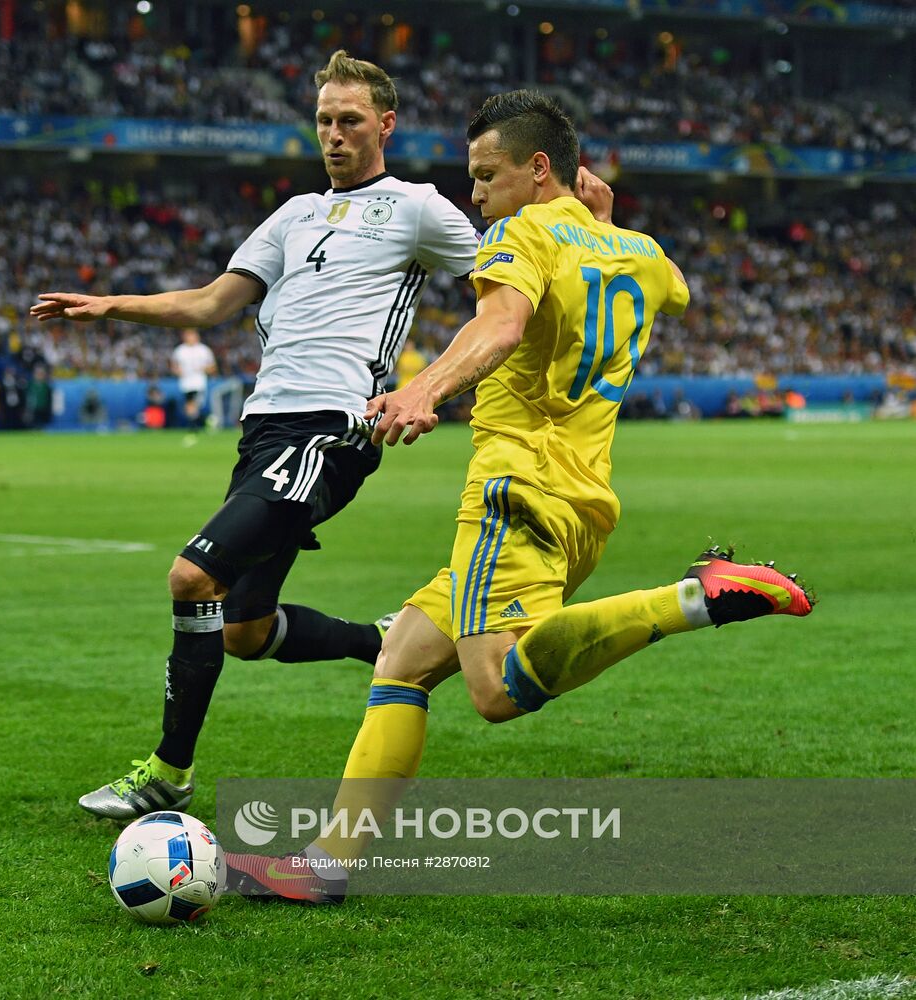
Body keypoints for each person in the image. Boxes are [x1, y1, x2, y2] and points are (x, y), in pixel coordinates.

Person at [224, 90, 815, 903]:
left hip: (514, 485)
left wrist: (422, 388)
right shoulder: (635, 248)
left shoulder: (519, 232)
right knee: (401, 658)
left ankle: (694, 599)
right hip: (583, 498)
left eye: (488, 175)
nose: (476, 196)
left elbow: (501, 325)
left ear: (539, 170)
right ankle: (329, 864)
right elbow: (676, 286)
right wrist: (599, 218)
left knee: (496, 689)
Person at [29, 50, 480, 821]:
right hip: (264, 433)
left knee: (189, 578)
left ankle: (168, 773)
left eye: (350, 121)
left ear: (386, 124)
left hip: (332, 430)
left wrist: (427, 386)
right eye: (324, 122)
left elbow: (507, 290)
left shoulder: (418, 207)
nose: (334, 135)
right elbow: (210, 304)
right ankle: (384, 640)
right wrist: (111, 306)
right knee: (242, 628)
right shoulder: (292, 213)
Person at [172, 328, 218, 429]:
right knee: (190, 404)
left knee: (195, 405)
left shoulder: (204, 350)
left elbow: (213, 366)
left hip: (199, 382)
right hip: (185, 382)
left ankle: (202, 422)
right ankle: (197, 425)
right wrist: (178, 371)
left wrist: (203, 369)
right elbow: (174, 366)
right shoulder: (180, 350)